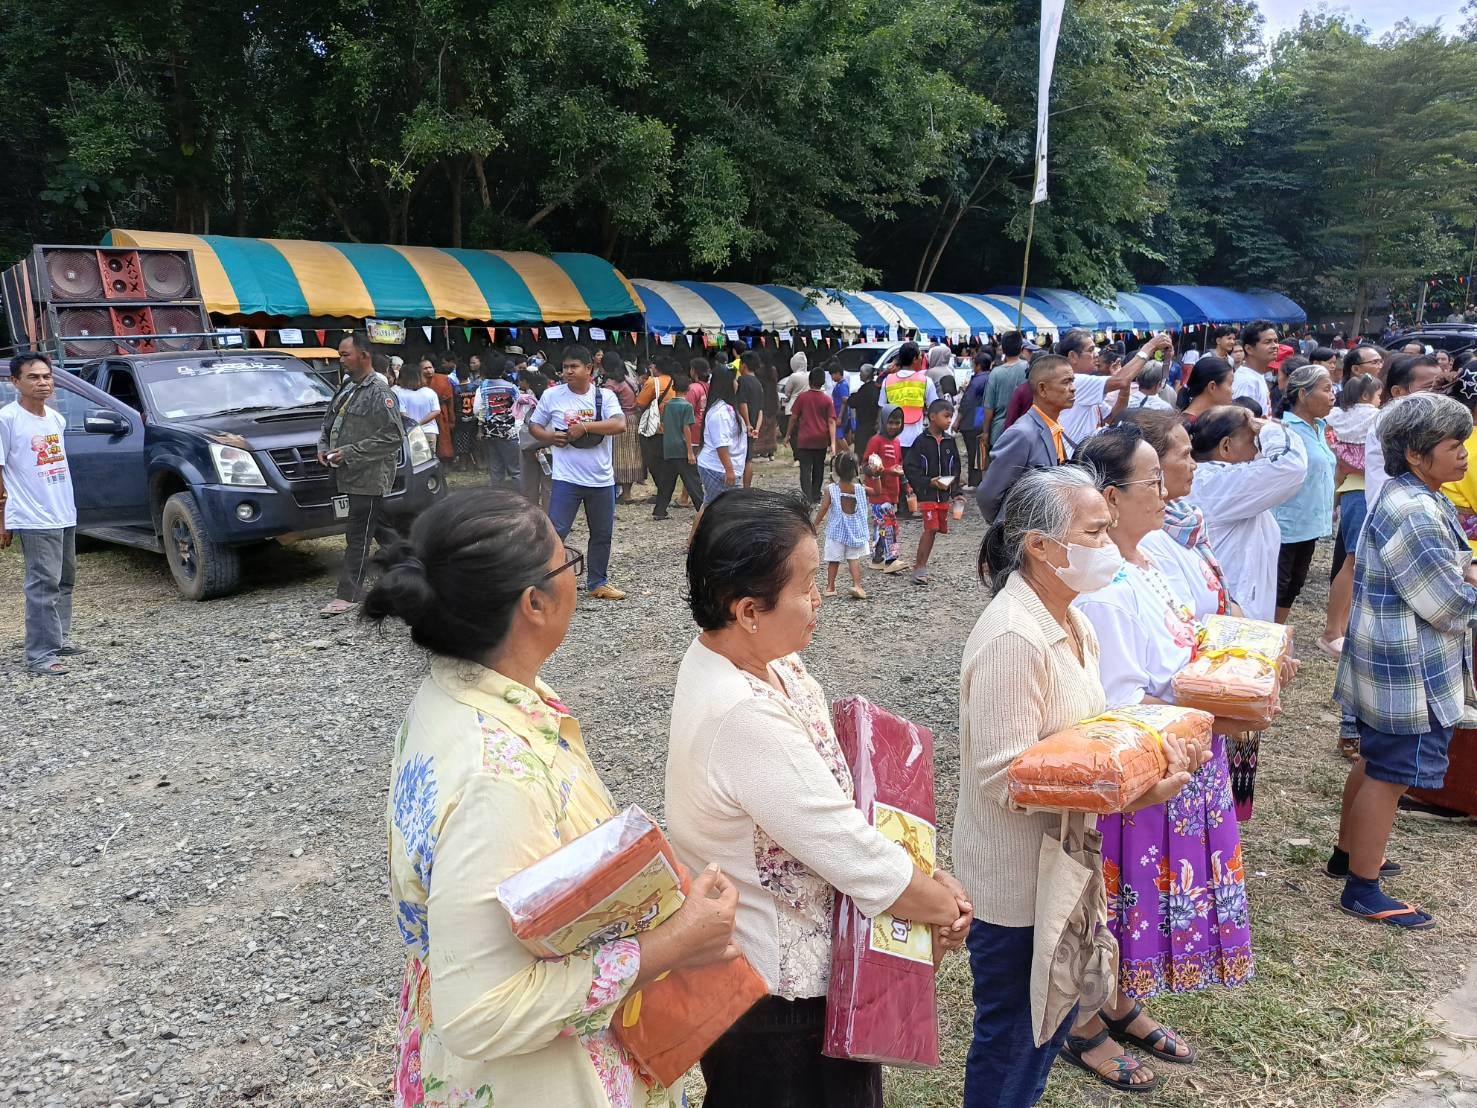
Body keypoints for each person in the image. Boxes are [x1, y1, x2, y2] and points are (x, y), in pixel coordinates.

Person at [368, 488, 740, 1107]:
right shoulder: (497, 777)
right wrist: (671, 944)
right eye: (566, 559)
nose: (575, 570)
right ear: (534, 603)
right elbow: (477, 1012)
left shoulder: (461, 693)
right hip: (539, 1084)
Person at [665, 489, 972, 1105]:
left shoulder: (761, 661)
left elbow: (834, 804)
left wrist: (920, 872)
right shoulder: (744, 715)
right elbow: (847, 849)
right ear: (749, 609)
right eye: (807, 585)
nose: (820, 596)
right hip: (776, 1003)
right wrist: (938, 901)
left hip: (798, 977)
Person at [958, 466, 1202, 1104]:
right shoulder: (1015, 637)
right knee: (1016, 1026)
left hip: (1066, 861)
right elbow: (1000, 776)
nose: (1110, 544)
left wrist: (1143, 760)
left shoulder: (1073, 621)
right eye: (1095, 532)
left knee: (1053, 1011)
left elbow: (1086, 735)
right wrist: (1125, 792)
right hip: (1017, 877)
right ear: (1040, 546)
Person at [1069, 425, 1254, 1086]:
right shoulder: (1103, 586)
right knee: (1116, 900)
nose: (1166, 487)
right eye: (1152, 479)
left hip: (1183, 753)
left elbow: (1185, 643)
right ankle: (1084, 1022)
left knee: (1139, 903)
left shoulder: (1151, 558)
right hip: (1145, 767)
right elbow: (1118, 702)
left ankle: (1120, 1001)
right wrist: (1214, 699)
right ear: (1111, 497)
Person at [1331, 392, 1477, 930]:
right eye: (1452, 445)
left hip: (1388, 658)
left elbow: (1452, 566)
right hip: (1407, 668)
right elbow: (1446, 603)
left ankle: (1350, 855)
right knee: (1392, 775)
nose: (1462, 454)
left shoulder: (1410, 494)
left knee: (1374, 760)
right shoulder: (1415, 508)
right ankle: (1363, 888)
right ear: (1416, 454)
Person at [1184, 405, 1308, 624]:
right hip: (1227, 619)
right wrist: (1270, 429)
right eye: (1253, 441)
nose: (1259, 451)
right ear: (1226, 446)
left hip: (1234, 613)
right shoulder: (1214, 482)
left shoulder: (1219, 480)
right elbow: (1291, 466)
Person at [0, 352, 81, 676]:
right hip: (34, 515)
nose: (43, 382)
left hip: (62, 510)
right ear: (15, 382)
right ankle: (40, 654)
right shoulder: (7, 419)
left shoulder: (54, 419)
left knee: (64, 580)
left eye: (47, 376)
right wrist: (3, 517)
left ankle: (57, 639)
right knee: (43, 583)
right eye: (33, 377)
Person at [528, 345, 627, 601]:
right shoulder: (552, 396)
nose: (568, 372)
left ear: (589, 369)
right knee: (555, 532)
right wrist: (550, 437)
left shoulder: (605, 397)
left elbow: (619, 424)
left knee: (602, 533)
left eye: (574, 367)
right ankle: (541, 583)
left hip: (602, 479)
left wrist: (584, 427)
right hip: (566, 478)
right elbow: (534, 426)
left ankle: (598, 582)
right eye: (565, 367)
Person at [318, 334, 405, 618]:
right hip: (350, 474)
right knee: (380, 528)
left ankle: (349, 593)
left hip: (368, 476)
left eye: (345, 355)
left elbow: (393, 436)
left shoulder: (380, 392)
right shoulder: (347, 387)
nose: (341, 360)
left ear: (364, 355)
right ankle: (416, 570)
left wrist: (350, 452)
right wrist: (324, 447)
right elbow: (331, 421)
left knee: (357, 534)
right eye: (341, 355)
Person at [1321, 372, 1382, 661]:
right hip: (1360, 491)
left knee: (1353, 561)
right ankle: (1332, 631)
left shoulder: (1339, 418)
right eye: (1378, 395)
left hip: (1350, 489)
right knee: (1352, 562)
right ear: (1368, 396)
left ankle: (1340, 627)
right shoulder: (1373, 417)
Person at [1270, 365, 1337, 622]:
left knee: (1293, 585)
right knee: (1277, 584)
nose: (1333, 395)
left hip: (1308, 524)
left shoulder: (1319, 427)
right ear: (1302, 395)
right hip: (1285, 524)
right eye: (1326, 389)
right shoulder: (1284, 429)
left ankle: (1277, 633)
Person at [975, 354, 1075, 524]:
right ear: (1042, 389)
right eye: (1066, 382)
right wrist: (1007, 528)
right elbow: (988, 494)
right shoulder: (1022, 434)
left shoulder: (1053, 428)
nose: (1072, 388)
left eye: (1072, 381)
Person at [905, 399, 964, 586]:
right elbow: (910, 466)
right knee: (930, 528)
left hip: (944, 494)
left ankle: (922, 564)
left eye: (950, 417)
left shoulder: (949, 442)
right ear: (932, 417)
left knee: (936, 530)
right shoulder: (921, 442)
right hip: (927, 494)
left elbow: (956, 468)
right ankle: (919, 567)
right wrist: (927, 482)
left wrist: (956, 492)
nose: (949, 421)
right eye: (946, 416)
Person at [813, 452, 869, 600]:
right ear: (856, 470)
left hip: (836, 531)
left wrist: (815, 524)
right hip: (854, 530)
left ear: (836, 469)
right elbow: (877, 492)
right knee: (853, 558)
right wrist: (876, 476)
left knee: (833, 559)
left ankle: (830, 587)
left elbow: (824, 508)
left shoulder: (831, 489)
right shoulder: (859, 489)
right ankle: (857, 585)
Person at [652, 373, 703, 520]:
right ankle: (702, 509)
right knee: (692, 480)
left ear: (673, 388)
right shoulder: (687, 406)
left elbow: (662, 425)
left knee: (666, 482)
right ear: (688, 389)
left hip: (668, 447)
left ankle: (659, 510)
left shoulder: (667, 406)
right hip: (682, 447)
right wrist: (690, 452)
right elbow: (686, 428)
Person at [863, 407, 907, 573]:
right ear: (883, 422)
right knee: (889, 526)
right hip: (879, 493)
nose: (894, 426)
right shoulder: (876, 441)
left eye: (897, 423)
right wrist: (887, 471)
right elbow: (867, 466)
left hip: (892, 492)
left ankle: (877, 558)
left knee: (881, 527)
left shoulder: (896, 442)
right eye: (890, 422)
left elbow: (899, 463)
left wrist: (905, 483)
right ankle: (891, 559)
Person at [696, 365, 747, 506]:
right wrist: (729, 470)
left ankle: (700, 529)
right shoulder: (720, 413)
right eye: (735, 380)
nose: (737, 383)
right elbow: (721, 444)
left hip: (724, 467)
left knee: (710, 507)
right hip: (718, 468)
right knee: (725, 509)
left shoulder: (727, 408)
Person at [471, 354, 521, 487]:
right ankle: (523, 498)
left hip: (490, 433)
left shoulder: (482, 388)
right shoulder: (511, 387)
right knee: (516, 470)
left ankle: (497, 500)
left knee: (496, 470)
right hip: (510, 433)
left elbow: (476, 410)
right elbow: (520, 409)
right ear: (503, 369)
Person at [789, 367, 835, 504]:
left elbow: (793, 417)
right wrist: (832, 442)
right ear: (822, 382)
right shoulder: (827, 400)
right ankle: (815, 494)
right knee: (818, 468)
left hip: (805, 439)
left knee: (805, 469)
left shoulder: (802, 398)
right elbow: (831, 421)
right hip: (821, 439)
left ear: (809, 381)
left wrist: (788, 434)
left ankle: (806, 496)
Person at [981, 332, 1028, 464]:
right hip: (1024, 429)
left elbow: (988, 407)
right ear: (1021, 348)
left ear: (1003, 349)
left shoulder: (995, 373)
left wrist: (985, 432)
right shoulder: (1028, 368)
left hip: (999, 431)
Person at [882, 341, 938, 451]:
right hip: (916, 439)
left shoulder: (887, 380)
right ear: (915, 359)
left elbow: (882, 409)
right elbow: (935, 408)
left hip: (892, 439)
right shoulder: (926, 381)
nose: (923, 358)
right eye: (920, 355)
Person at [635, 355, 677, 491]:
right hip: (673, 428)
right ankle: (666, 492)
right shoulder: (675, 381)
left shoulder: (653, 382)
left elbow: (640, 403)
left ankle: (662, 491)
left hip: (656, 428)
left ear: (657, 368)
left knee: (654, 462)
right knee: (667, 463)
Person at [515, 369, 553, 511]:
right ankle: (549, 519)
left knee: (529, 486)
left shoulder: (523, 402)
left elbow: (518, 423)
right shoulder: (552, 404)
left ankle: (531, 517)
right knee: (549, 487)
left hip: (527, 448)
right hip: (549, 448)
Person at [957, 352, 991, 488]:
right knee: (979, 451)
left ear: (977, 365)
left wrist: (957, 420)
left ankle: (974, 482)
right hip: (982, 417)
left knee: (973, 452)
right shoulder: (990, 377)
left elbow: (967, 402)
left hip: (973, 419)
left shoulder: (977, 380)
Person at [735, 352, 767, 487]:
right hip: (754, 426)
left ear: (744, 365)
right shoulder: (758, 384)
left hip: (743, 426)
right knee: (749, 459)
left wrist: (747, 424)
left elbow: (742, 404)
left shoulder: (742, 381)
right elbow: (760, 410)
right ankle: (746, 489)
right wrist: (756, 428)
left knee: (740, 458)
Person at [1232, 321, 1277, 415]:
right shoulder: (1247, 382)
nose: (1275, 346)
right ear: (1249, 349)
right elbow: (1242, 423)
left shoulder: (1257, 375)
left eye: (1275, 341)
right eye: (1267, 342)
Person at [1176, 356, 1235, 423]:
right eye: (1230, 384)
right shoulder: (1189, 426)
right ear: (1212, 387)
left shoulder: (1207, 421)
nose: (1232, 391)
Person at [426, 355, 457, 462]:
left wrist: (452, 419)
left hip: (442, 411)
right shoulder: (418, 381)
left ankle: (446, 461)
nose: (429, 370)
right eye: (425, 368)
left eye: (430, 367)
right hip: (426, 413)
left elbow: (450, 400)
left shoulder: (444, 379)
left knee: (444, 438)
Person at [849, 364, 883, 455]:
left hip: (863, 424)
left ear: (866, 374)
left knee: (861, 450)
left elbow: (853, 402)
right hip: (874, 423)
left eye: (861, 373)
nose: (859, 375)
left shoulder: (864, 390)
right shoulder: (877, 388)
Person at [780, 352, 809, 439]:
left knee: (794, 434)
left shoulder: (793, 376)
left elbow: (787, 392)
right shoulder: (809, 375)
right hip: (806, 408)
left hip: (793, 407)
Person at [828, 363, 852, 452]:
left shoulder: (843, 385)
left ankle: (849, 455)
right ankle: (837, 455)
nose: (832, 377)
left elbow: (844, 401)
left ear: (838, 373)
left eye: (833, 375)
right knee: (836, 436)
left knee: (839, 436)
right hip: (836, 412)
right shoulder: (838, 384)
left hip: (841, 414)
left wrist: (840, 417)